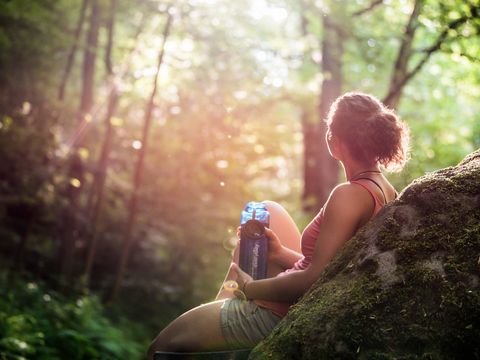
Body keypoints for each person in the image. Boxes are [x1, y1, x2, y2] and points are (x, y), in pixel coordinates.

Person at [147, 92, 410, 358]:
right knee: (265, 213)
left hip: (279, 310)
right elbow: (332, 267)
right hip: (297, 293)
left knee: (159, 347)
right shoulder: (385, 190)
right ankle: (221, 316)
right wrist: (279, 253)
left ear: (334, 139)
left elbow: (313, 279)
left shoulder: (349, 195)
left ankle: (227, 315)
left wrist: (249, 289)